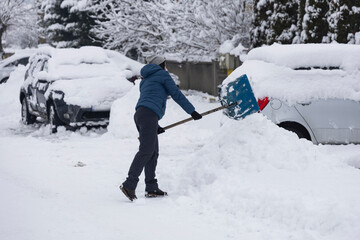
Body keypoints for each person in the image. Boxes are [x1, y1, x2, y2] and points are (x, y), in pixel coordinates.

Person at [120, 55, 202, 201]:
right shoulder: (163, 75)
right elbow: (176, 94)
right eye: (165, 63)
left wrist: (155, 125)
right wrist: (192, 111)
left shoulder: (145, 79)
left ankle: (151, 187)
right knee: (146, 151)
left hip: (141, 115)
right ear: (161, 65)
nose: (166, 66)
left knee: (152, 152)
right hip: (148, 116)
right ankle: (129, 184)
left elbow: (148, 100)